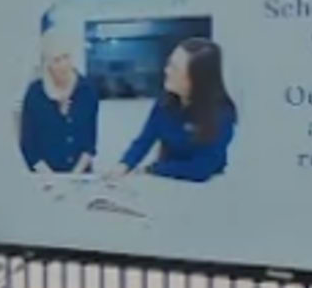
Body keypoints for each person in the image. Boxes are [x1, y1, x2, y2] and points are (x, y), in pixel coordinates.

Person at [118, 37, 237, 182]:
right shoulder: (164, 103)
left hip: (207, 188)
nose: (167, 71)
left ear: (196, 78)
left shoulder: (222, 113)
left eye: (175, 68)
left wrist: (153, 169)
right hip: (167, 180)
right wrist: (124, 165)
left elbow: (202, 169)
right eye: (169, 64)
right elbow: (144, 140)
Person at [16, 38, 99, 173]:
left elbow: (90, 144)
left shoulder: (87, 89)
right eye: (56, 60)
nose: (63, 64)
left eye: (66, 57)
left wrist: (74, 177)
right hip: (44, 175)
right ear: (48, 64)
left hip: (80, 173)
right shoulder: (35, 93)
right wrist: (52, 178)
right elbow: (28, 146)